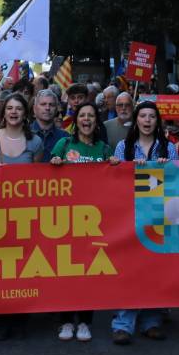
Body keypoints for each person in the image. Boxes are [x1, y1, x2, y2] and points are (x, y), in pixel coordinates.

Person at [50, 102, 118, 342]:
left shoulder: (104, 149)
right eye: (82, 115)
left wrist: (115, 166)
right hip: (65, 220)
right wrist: (54, 163)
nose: (86, 119)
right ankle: (66, 321)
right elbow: (46, 177)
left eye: (91, 116)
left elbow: (113, 181)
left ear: (96, 122)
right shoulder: (63, 144)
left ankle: (85, 322)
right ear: (76, 120)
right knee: (65, 272)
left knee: (89, 272)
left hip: (93, 221)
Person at [0, 92, 42, 340]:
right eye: (10, 108)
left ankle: (19, 318)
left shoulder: (36, 142)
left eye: (19, 109)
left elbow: (39, 180)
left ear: (25, 114)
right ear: (3, 113)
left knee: (21, 267)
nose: (14, 112)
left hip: (24, 215)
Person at [112, 101, 176, 345]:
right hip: (130, 216)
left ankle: (152, 321)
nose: (147, 120)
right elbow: (116, 180)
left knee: (155, 270)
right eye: (143, 116)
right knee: (129, 270)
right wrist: (124, 168)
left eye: (152, 116)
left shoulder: (168, 148)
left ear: (157, 121)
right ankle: (123, 324)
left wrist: (167, 168)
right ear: (136, 120)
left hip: (159, 216)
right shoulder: (123, 147)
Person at [31, 89, 70, 158]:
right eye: (43, 104)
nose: (47, 108)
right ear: (34, 108)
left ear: (56, 109)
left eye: (51, 105)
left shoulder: (65, 137)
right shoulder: (23, 134)